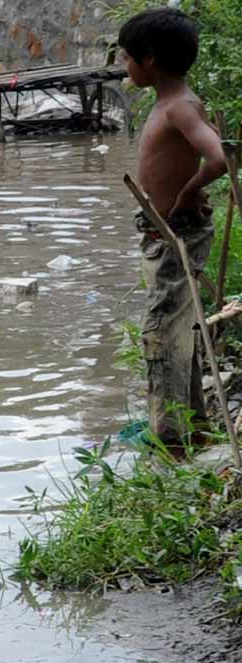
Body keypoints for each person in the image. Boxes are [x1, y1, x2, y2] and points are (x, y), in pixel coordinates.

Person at [123, 8, 227, 446]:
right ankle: (194, 427)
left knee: (160, 331)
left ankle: (169, 439)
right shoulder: (169, 104)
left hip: (178, 236)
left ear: (148, 60)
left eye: (127, 56)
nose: (124, 65)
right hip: (163, 236)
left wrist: (188, 193)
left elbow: (219, 156)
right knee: (177, 328)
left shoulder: (180, 108)